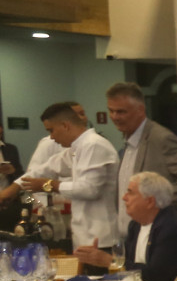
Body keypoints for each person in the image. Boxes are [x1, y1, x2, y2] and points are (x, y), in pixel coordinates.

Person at [19, 100, 119, 267]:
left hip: (101, 238)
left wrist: (48, 185)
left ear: (65, 125)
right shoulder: (77, 148)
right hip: (85, 236)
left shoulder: (93, 144)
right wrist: (11, 190)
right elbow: (47, 168)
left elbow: (89, 189)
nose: (51, 137)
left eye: (51, 130)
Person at [105, 82, 177, 243]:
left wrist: (157, 197)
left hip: (161, 236)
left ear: (140, 110)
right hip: (133, 237)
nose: (115, 117)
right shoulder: (128, 142)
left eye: (121, 111)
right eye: (111, 111)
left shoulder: (160, 138)